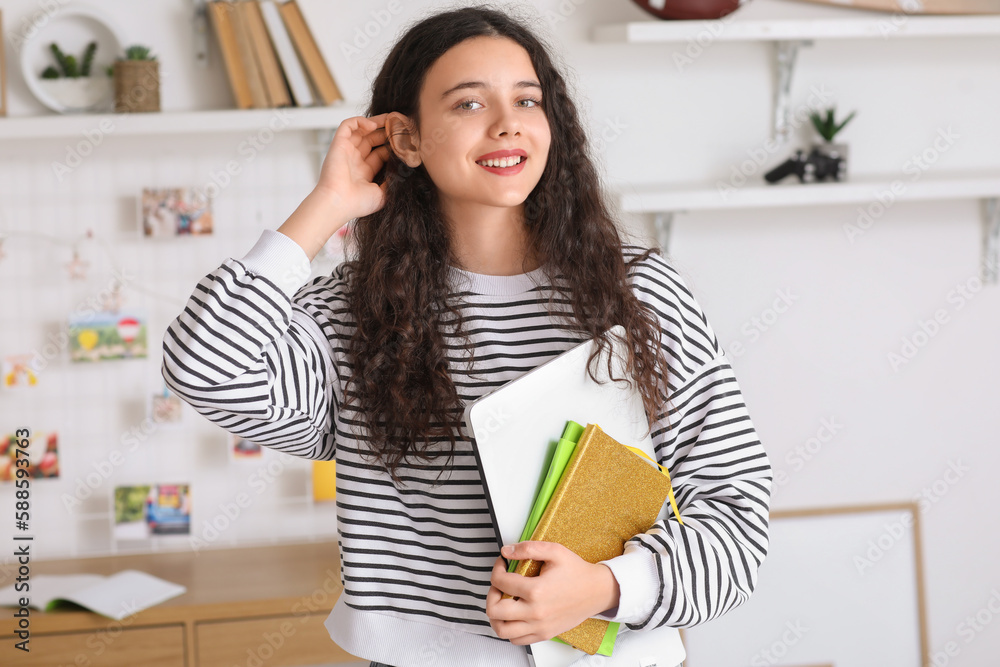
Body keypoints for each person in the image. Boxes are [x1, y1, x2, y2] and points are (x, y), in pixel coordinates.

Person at [160, 6, 772, 667]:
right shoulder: (351, 312)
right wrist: (328, 205)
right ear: (407, 137)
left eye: (527, 99)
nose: (507, 122)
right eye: (469, 103)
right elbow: (205, 366)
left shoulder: (643, 295)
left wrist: (603, 586)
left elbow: (735, 522)